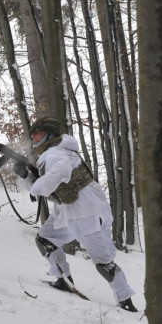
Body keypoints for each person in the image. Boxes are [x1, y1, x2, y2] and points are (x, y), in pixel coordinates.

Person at [13, 117, 138, 312]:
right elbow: (49, 183)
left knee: (104, 263)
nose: (33, 137)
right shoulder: (56, 152)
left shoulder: (57, 153)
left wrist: (35, 187)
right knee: (46, 240)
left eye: (36, 133)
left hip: (88, 213)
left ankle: (126, 302)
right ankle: (63, 280)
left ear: (48, 134)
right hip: (69, 212)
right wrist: (26, 177)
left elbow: (59, 172)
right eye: (32, 134)